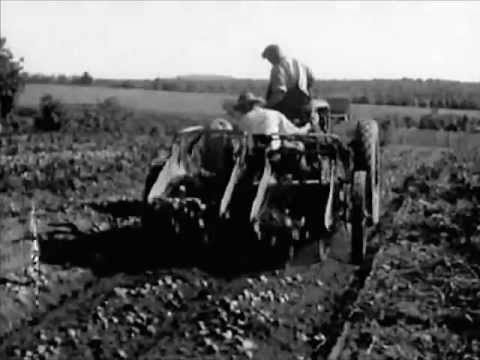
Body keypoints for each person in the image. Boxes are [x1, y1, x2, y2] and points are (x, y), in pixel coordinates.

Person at [262, 44, 315, 125]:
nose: (269, 62)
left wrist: (265, 107)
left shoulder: (278, 68)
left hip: (287, 108)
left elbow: (279, 94)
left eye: (269, 59)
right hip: (305, 105)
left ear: (272, 56)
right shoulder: (300, 63)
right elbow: (311, 80)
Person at [232, 91, 311, 136]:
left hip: (253, 155)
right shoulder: (275, 114)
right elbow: (292, 131)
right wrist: (307, 127)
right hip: (274, 152)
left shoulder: (244, 119)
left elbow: (241, 132)